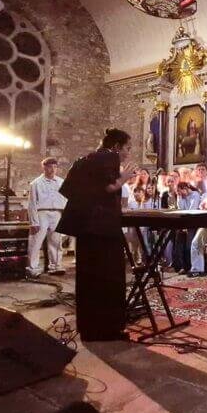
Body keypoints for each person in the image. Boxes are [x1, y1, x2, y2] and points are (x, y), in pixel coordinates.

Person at [57, 128, 136, 341]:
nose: (128, 153)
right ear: (117, 146)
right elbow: (109, 187)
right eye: (127, 148)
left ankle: (88, 327)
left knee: (88, 277)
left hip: (85, 228)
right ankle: (108, 329)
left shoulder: (84, 160)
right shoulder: (109, 156)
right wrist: (123, 179)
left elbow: (67, 190)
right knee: (109, 277)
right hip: (103, 228)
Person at [27, 157, 67, 277]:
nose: (52, 169)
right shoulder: (36, 183)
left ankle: (55, 266)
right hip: (41, 213)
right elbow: (32, 203)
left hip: (57, 213)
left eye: (55, 167)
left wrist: (65, 216)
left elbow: (66, 199)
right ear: (44, 167)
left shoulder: (61, 182)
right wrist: (34, 222)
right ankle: (32, 268)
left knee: (56, 241)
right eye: (49, 166)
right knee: (36, 241)